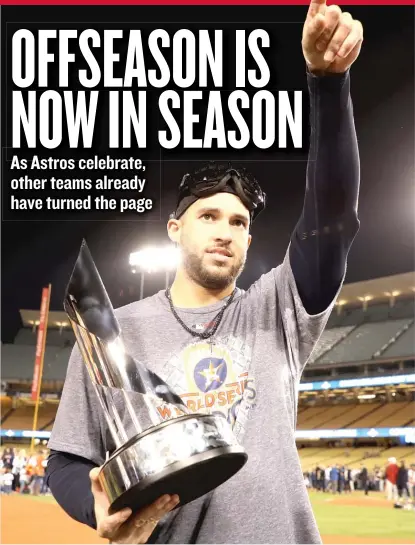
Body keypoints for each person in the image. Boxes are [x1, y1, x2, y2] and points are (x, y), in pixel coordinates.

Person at [45, 1, 363, 543]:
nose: (225, 231)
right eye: (208, 216)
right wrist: (91, 503)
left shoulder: (276, 309)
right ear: (174, 228)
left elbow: (332, 219)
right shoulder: (109, 331)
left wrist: (328, 86)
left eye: (238, 222)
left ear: (249, 237)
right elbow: (67, 461)